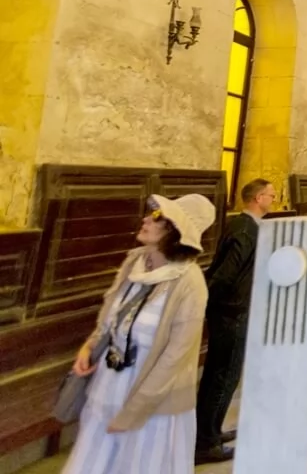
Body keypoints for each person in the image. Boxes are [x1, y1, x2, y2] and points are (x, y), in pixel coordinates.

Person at [63, 194, 216, 474]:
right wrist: (90, 346)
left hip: (152, 401)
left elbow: (174, 357)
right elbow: (111, 314)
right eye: (150, 214)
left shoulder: (189, 283)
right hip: (109, 384)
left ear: (175, 231)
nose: (146, 219)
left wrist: (134, 411)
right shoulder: (135, 262)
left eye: (157, 217)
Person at [194, 178, 275, 464]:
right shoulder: (245, 229)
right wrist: (217, 305)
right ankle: (205, 442)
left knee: (222, 375)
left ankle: (210, 431)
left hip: (230, 310)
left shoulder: (246, 226)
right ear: (257, 198)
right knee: (223, 376)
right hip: (231, 312)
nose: (274, 198)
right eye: (270, 194)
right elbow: (227, 274)